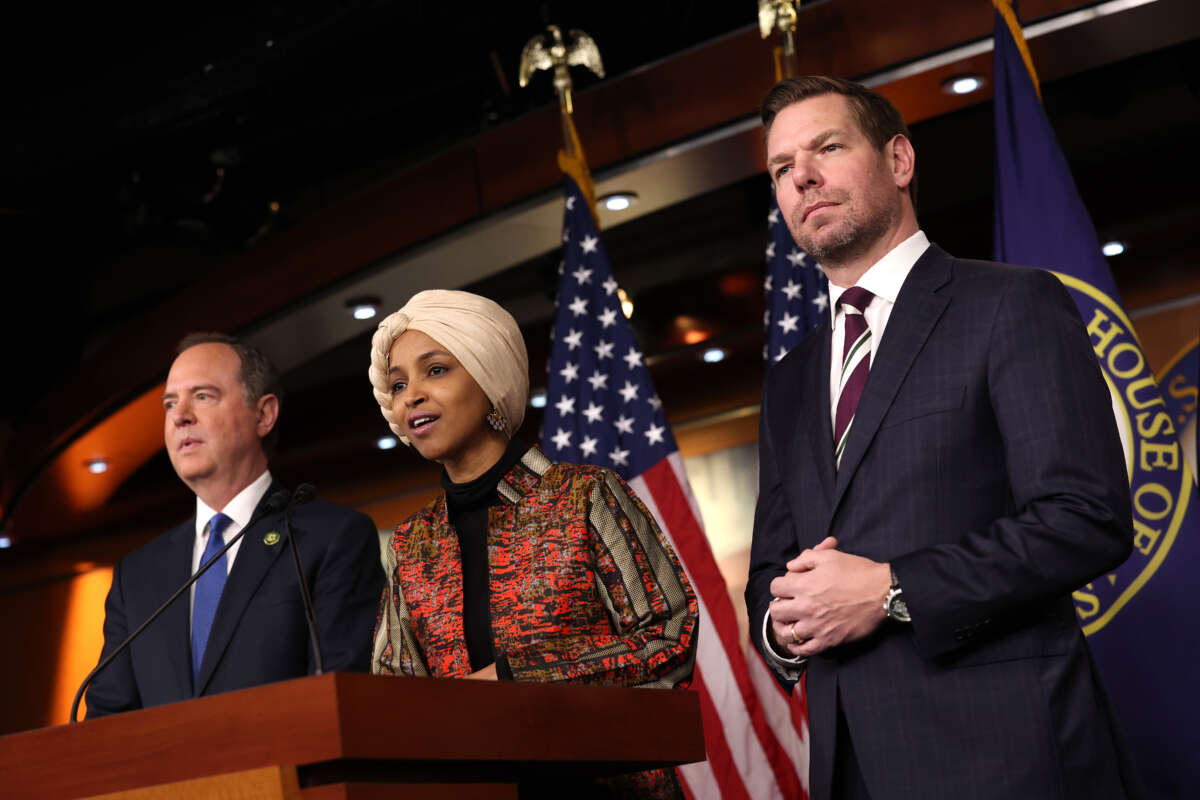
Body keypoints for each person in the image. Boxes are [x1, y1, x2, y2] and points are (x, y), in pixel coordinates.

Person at [746, 76, 1143, 800]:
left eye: (827, 147)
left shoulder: (1012, 304)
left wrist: (891, 589)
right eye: (780, 167)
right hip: (851, 766)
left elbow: (1086, 518)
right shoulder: (789, 380)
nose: (801, 175)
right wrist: (783, 625)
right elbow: (770, 572)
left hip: (1008, 759)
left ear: (899, 161)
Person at [367, 290, 698, 797]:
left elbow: (669, 639)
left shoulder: (584, 494)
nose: (410, 395)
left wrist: (515, 681)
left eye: (436, 370)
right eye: (398, 383)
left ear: (489, 380)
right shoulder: (413, 544)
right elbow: (395, 696)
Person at [86, 333, 383, 717]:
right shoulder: (137, 575)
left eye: (203, 396)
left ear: (263, 415)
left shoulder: (329, 539)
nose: (180, 416)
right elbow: (108, 720)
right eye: (170, 404)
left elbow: (343, 696)